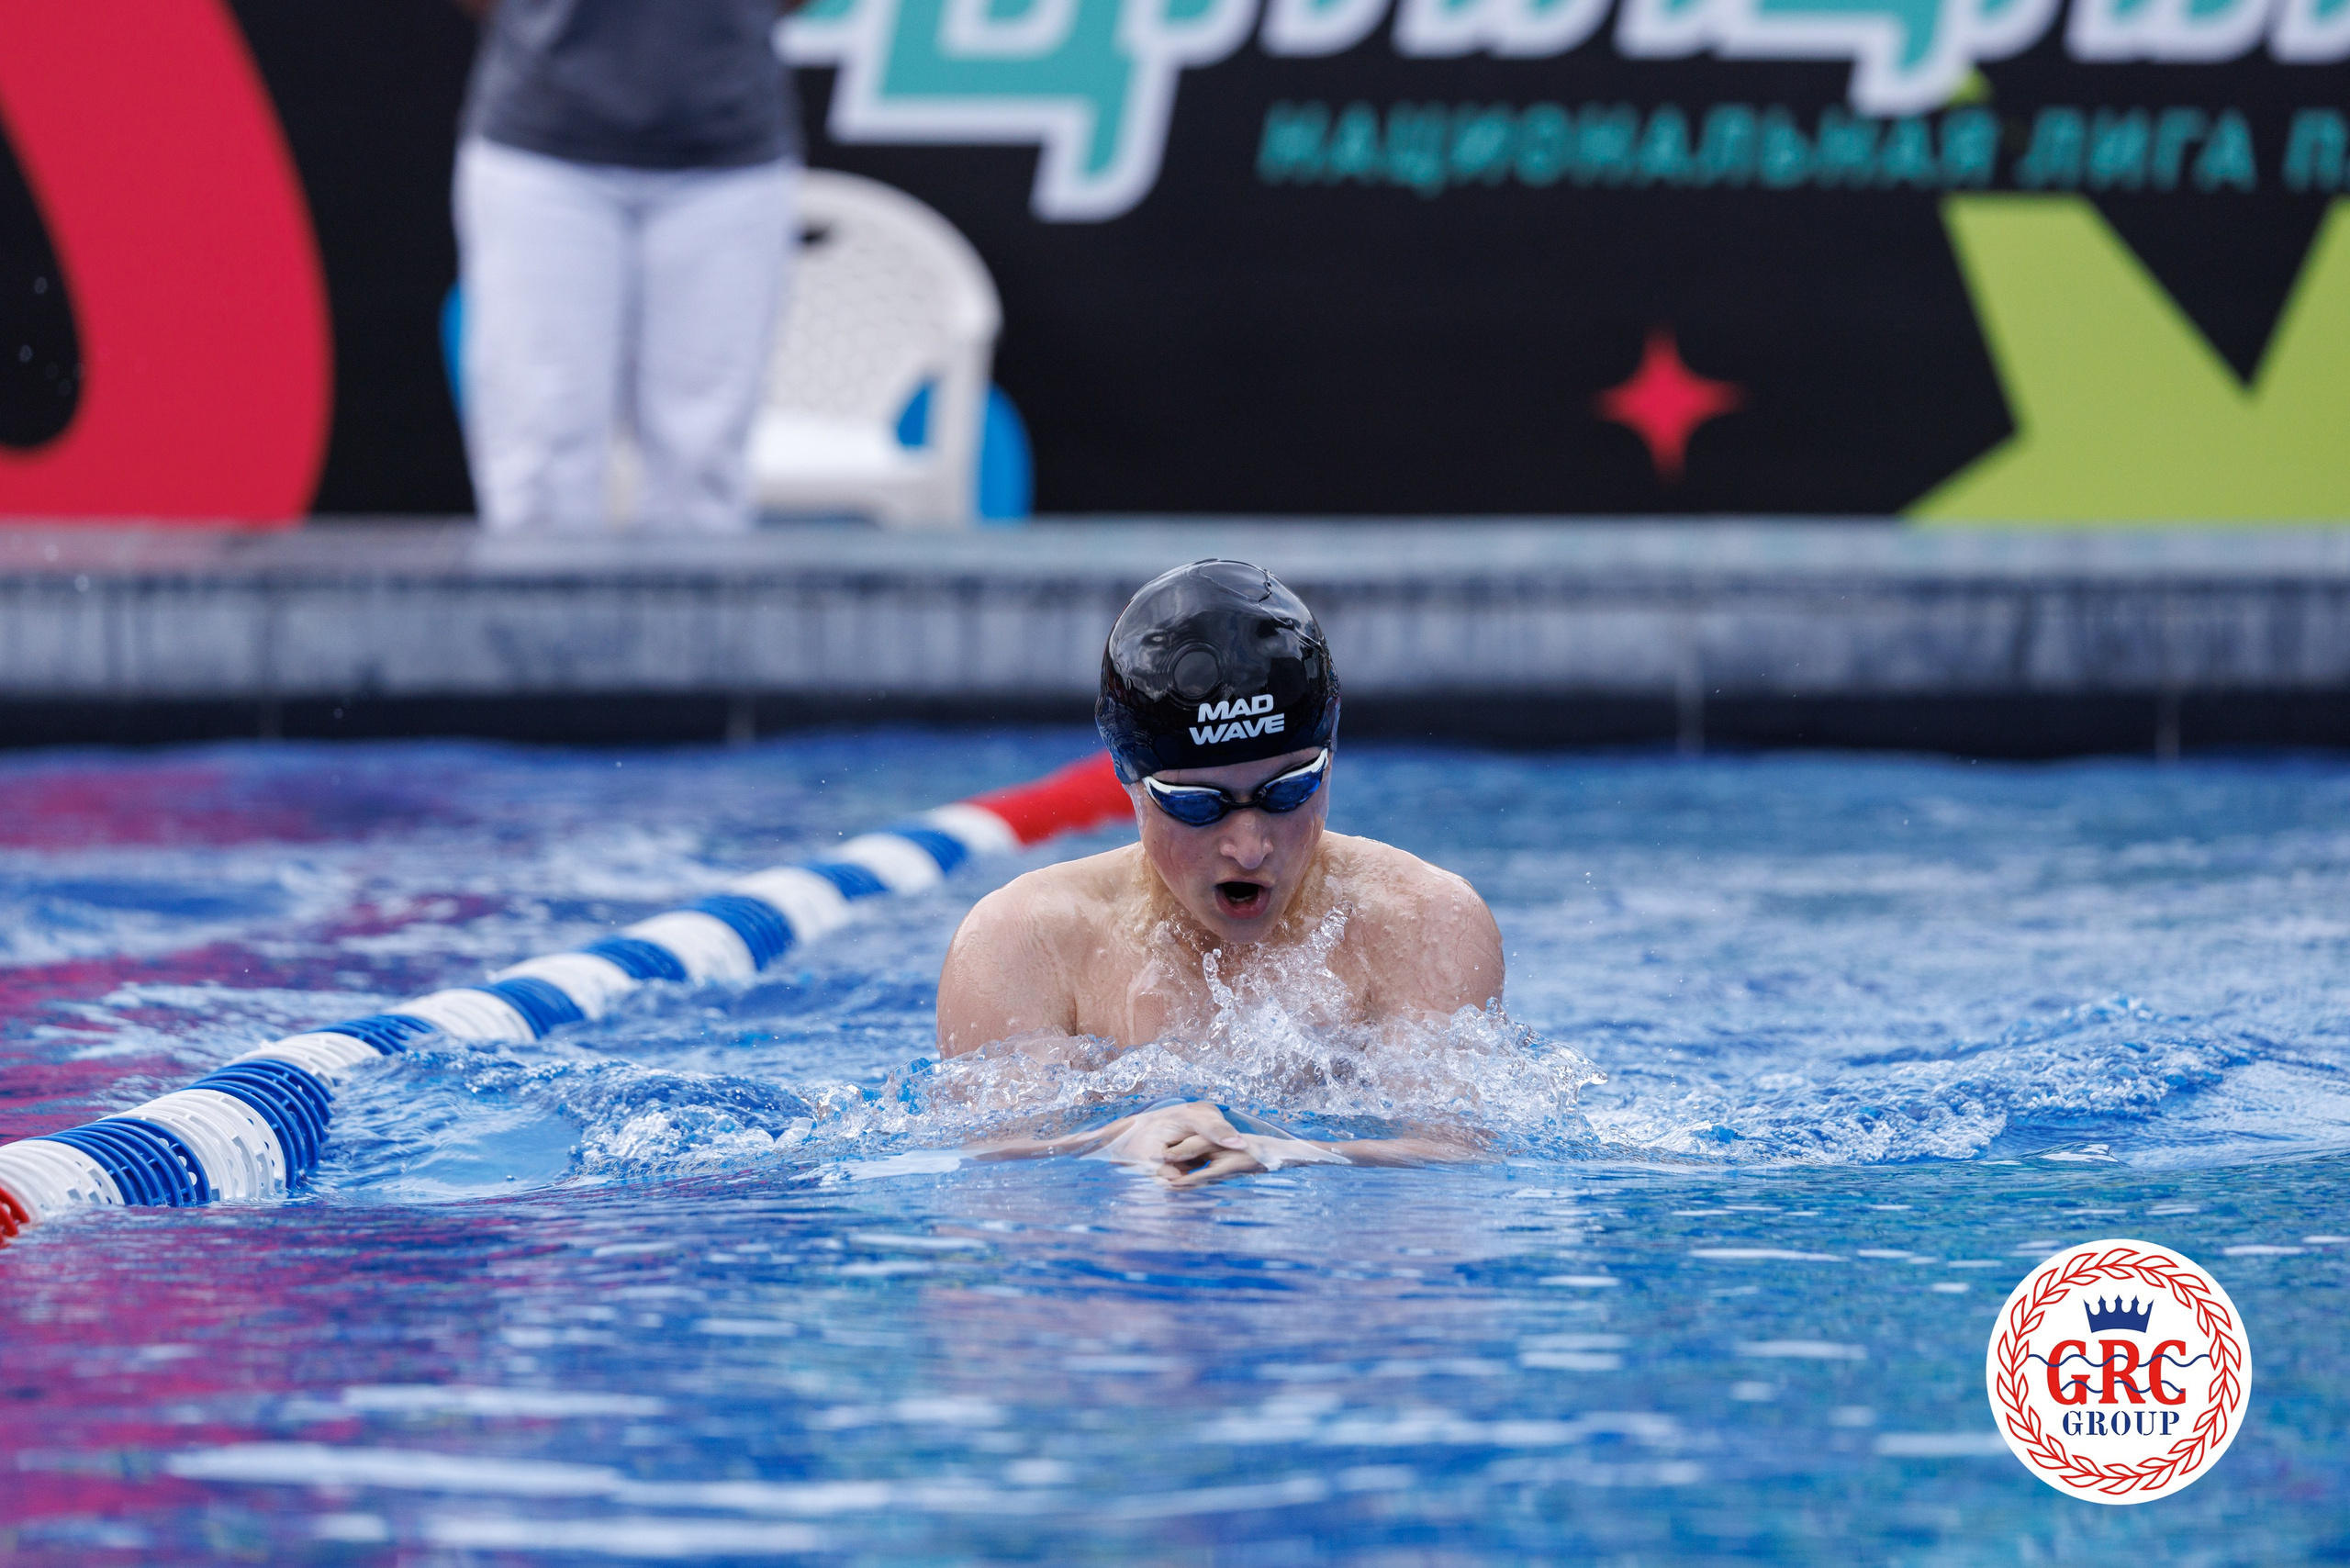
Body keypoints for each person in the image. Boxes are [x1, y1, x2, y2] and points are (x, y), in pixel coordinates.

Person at [935, 559, 1506, 1186]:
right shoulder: (1025, 941)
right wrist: (1118, 1139)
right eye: (1197, 804)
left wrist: (1290, 1152)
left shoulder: (1420, 920)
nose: (1249, 846)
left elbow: (1454, 1159)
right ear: (1129, 781)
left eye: (1287, 791)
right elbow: (994, 1179)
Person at [452, 0, 804, 532]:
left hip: (726, 158)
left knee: (704, 465)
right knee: (541, 453)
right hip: (544, 153)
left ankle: (692, 618)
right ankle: (540, 618)